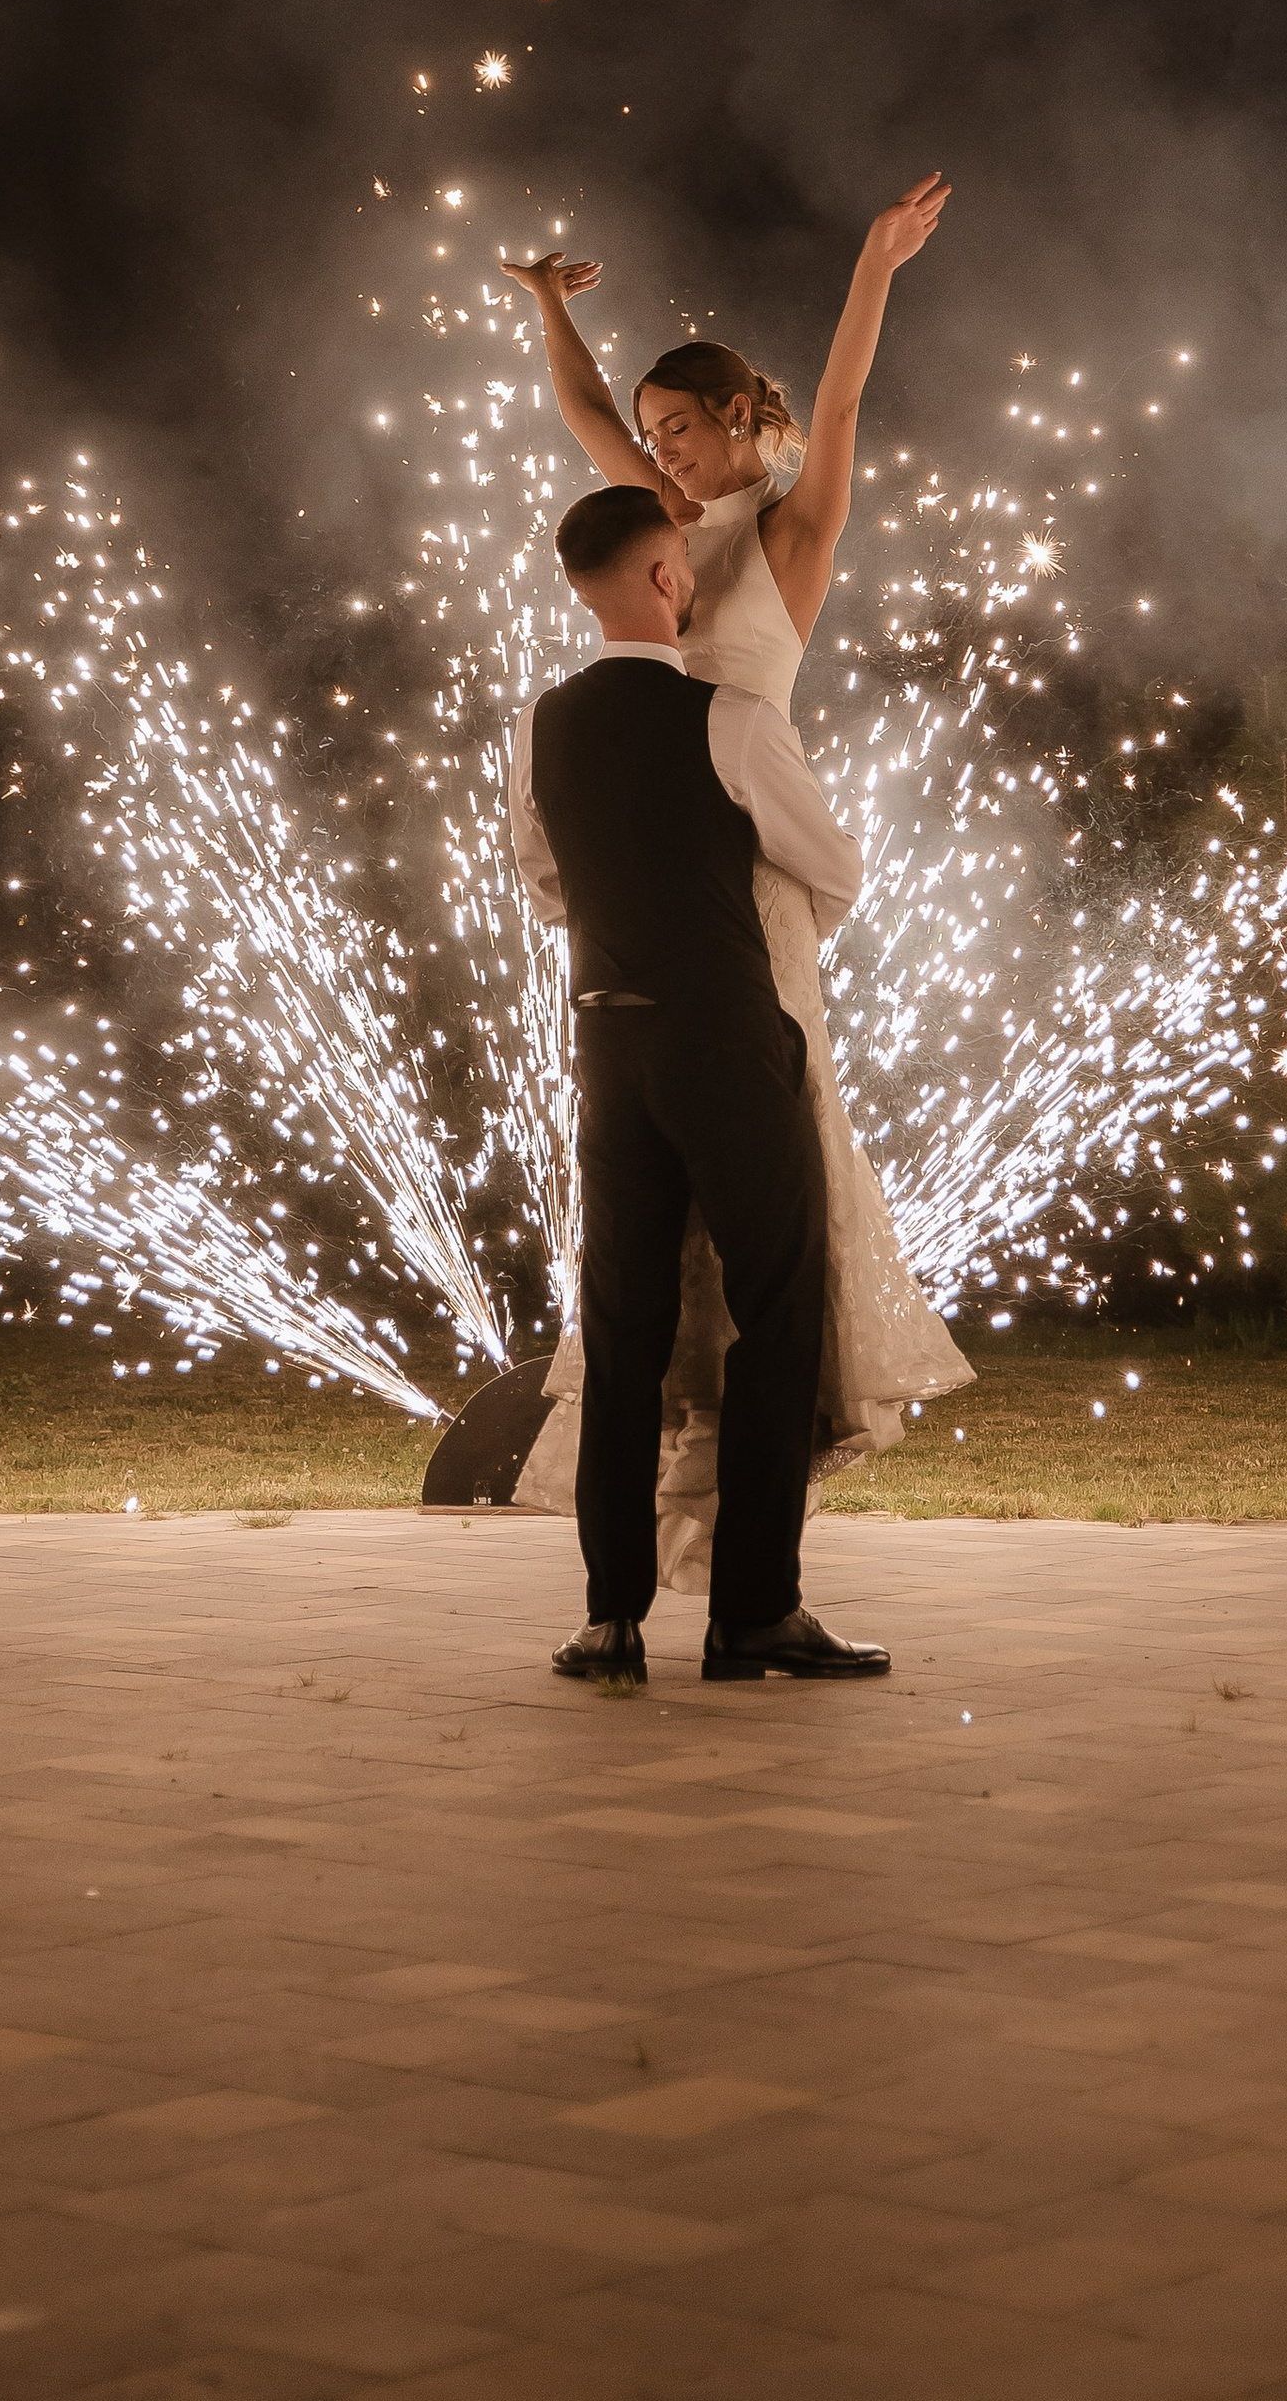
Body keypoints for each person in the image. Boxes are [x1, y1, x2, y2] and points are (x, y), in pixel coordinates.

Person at [501, 182, 969, 1593]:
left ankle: (751, 1510)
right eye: (652, 440)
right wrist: (545, 311)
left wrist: (873, 267)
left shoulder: (783, 539)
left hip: (749, 882)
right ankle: (683, 1521)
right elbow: (581, 418)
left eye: (684, 429)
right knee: (663, 1240)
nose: (661, 455)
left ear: (740, 425)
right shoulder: (652, 533)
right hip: (655, 880)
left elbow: (835, 411)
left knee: (774, 1203)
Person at [511, 484, 889, 1683]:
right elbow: (834, 866)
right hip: (727, 1042)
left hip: (608, 1050)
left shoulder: (545, 723)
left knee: (621, 1326)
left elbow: (543, 881)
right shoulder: (732, 716)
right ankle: (752, 1611)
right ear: (671, 579)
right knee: (775, 1308)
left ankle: (608, 1619)